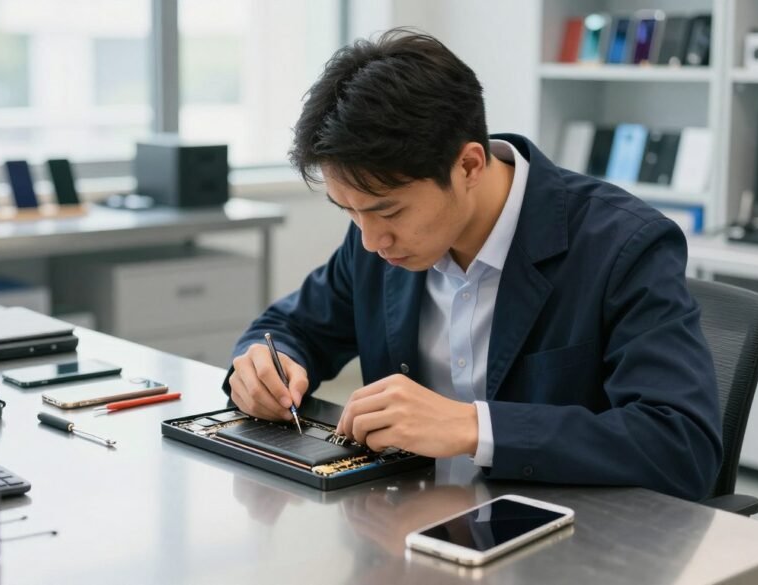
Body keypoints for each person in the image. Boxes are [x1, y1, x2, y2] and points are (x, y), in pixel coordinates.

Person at [223, 28, 722, 500]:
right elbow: (290, 326)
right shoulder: (377, 238)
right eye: (349, 212)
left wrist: (473, 426)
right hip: (405, 527)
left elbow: (681, 444)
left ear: (468, 166)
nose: (371, 240)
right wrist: (265, 364)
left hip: (559, 541)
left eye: (387, 211)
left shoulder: (623, 246)